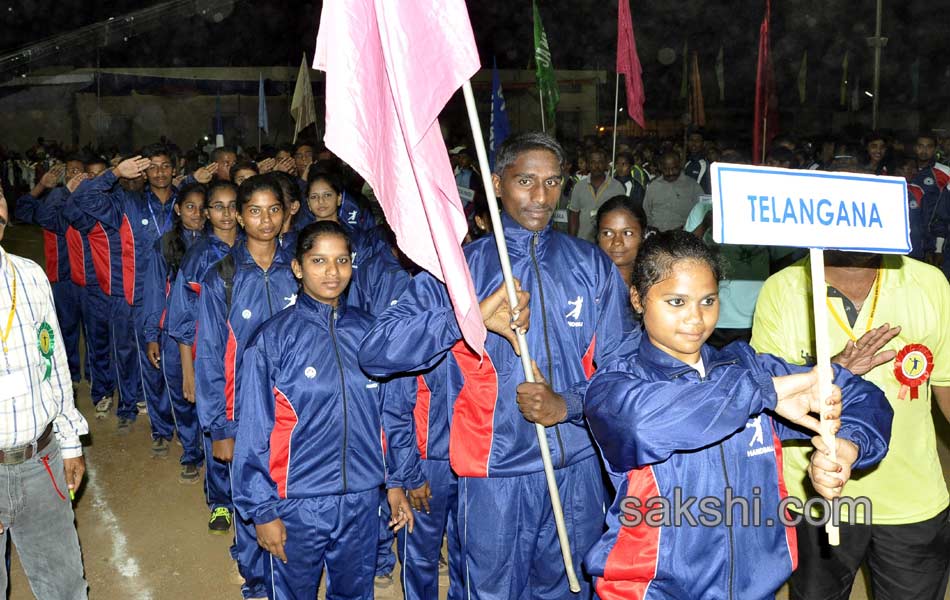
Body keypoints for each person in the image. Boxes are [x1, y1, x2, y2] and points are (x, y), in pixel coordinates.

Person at [360, 132, 637, 598]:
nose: (540, 196)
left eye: (552, 182)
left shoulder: (590, 264)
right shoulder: (460, 270)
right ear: (496, 183)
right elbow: (378, 351)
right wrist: (468, 317)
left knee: (568, 588)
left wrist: (566, 404)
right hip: (493, 472)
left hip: (576, 467)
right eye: (526, 180)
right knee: (490, 591)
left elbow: (621, 372)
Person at [583, 230, 892, 598]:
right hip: (653, 589)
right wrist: (765, 393)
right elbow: (645, 424)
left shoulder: (744, 366)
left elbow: (863, 395)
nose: (695, 319)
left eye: (708, 300)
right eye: (676, 302)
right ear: (638, 299)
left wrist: (848, 446)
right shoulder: (615, 383)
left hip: (755, 587)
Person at [752, 248, 950, 599]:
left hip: (911, 495)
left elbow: (946, 386)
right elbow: (767, 400)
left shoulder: (929, 283)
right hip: (816, 495)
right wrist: (834, 370)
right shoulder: (782, 289)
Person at [232, 221, 413, 600]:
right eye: (319, 260)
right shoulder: (272, 340)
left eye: (342, 260)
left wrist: (395, 481)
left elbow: (390, 412)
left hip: (361, 499)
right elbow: (252, 434)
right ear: (297, 268)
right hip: (298, 502)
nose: (332, 272)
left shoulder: (370, 333)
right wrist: (262, 512)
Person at [195, 175, 298, 600]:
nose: (265, 219)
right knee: (250, 492)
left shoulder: (298, 266)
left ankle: (291, 571)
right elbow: (209, 354)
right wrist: (221, 426)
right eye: (254, 210)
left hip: (294, 406)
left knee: (291, 488)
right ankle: (256, 579)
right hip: (244, 410)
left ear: (287, 212)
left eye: (273, 209)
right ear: (238, 216)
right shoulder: (222, 276)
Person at [0, 181, 90, 599]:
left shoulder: (29, 275)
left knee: (66, 588)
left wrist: (70, 442)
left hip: (42, 460)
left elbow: (54, 361)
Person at [167, 180, 241, 529]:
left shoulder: (256, 249)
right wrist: (188, 371)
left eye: (232, 205)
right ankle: (221, 500)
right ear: (207, 212)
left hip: (249, 360)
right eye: (218, 206)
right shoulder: (196, 258)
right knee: (215, 425)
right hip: (210, 357)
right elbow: (182, 320)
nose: (226, 214)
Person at [142, 183, 206, 474]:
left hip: (209, 332)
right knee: (182, 392)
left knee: (210, 390)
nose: (197, 213)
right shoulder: (166, 244)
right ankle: (191, 451)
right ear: (178, 210)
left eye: (203, 207)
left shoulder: (218, 242)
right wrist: (152, 334)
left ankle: (211, 445)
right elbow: (155, 290)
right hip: (172, 332)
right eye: (190, 206)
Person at [567, 148, 626, 241]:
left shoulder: (617, 187)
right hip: (583, 242)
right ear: (588, 165)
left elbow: (622, 216)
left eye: (600, 162)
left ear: (606, 164)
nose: (596, 166)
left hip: (608, 243)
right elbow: (574, 215)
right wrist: (572, 241)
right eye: (593, 162)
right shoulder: (579, 187)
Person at [595, 195, 648, 290]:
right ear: (598, 236)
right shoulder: (584, 284)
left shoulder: (655, 285)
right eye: (608, 233)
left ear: (643, 236)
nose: (617, 242)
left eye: (627, 233)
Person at [642, 152, 704, 232]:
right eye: (666, 169)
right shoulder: (653, 186)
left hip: (683, 236)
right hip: (658, 237)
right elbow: (646, 213)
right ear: (661, 167)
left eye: (674, 169)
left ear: (680, 165)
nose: (671, 173)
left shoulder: (693, 186)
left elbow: (702, 214)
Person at [683, 129, 711, 193]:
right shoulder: (688, 163)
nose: (694, 143)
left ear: (703, 143)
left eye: (697, 141)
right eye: (691, 140)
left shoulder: (704, 165)